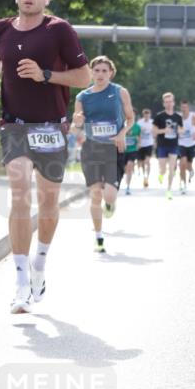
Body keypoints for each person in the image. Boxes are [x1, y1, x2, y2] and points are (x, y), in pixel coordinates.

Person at [0, 0, 90, 312]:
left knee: (47, 204)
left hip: (50, 128)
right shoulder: (1, 28)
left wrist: (46, 75)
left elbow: (84, 77)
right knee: (18, 193)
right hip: (13, 125)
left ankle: (39, 264)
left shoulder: (59, 30)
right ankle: (19, 282)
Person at [72, 56, 133, 254]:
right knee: (95, 193)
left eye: (104, 71)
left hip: (113, 148)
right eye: (96, 70)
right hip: (91, 149)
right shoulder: (82, 97)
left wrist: (122, 133)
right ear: (91, 72)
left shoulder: (119, 92)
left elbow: (130, 118)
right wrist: (77, 122)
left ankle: (110, 203)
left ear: (111, 73)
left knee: (109, 195)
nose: (100, 74)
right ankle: (99, 237)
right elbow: (76, 127)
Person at [153, 92, 183, 200]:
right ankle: (161, 174)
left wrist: (180, 130)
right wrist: (164, 130)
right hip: (162, 145)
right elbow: (154, 131)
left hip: (173, 145)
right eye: (166, 102)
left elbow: (181, 129)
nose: (169, 104)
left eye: (170, 101)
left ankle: (169, 190)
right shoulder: (159, 116)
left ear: (173, 103)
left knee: (171, 168)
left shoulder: (178, 116)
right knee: (163, 170)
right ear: (164, 104)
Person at [178, 100, 195, 194]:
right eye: (182, 107)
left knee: (188, 164)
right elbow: (175, 128)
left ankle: (191, 171)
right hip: (181, 144)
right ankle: (184, 185)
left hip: (191, 144)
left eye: (185, 107)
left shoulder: (193, 117)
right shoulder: (178, 118)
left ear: (188, 108)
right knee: (182, 164)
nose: (184, 109)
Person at [123, 109, 141, 195]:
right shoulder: (122, 126)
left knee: (130, 166)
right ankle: (124, 179)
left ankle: (128, 186)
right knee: (124, 168)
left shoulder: (137, 127)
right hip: (122, 150)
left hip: (132, 150)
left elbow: (139, 138)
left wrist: (138, 144)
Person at [137, 108, 154, 187]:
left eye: (148, 115)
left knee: (147, 161)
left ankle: (147, 177)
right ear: (143, 115)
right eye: (145, 115)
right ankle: (144, 175)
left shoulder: (152, 122)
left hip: (149, 144)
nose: (147, 116)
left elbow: (155, 132)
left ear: (150, 115)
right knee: (142, 162)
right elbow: (136, 133)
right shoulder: (139, 123)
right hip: (141, 145)